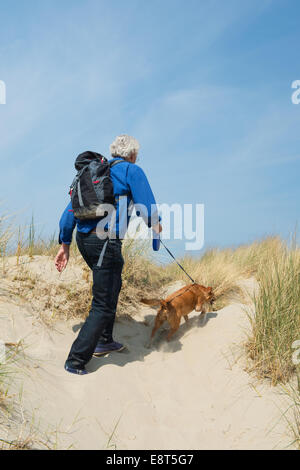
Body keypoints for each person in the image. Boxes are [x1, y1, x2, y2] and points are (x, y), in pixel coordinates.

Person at [54, 135, 162, 375]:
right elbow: (147, 207)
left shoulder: (93, 173)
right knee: (102, 302)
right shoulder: (131, 171)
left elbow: (69, 212)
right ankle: (76, 360)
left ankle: (104, 340)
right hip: (106, 242)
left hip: (84, 241)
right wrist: (156, 229)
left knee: (113, 285)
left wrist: (65, 244)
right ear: (132, 154)